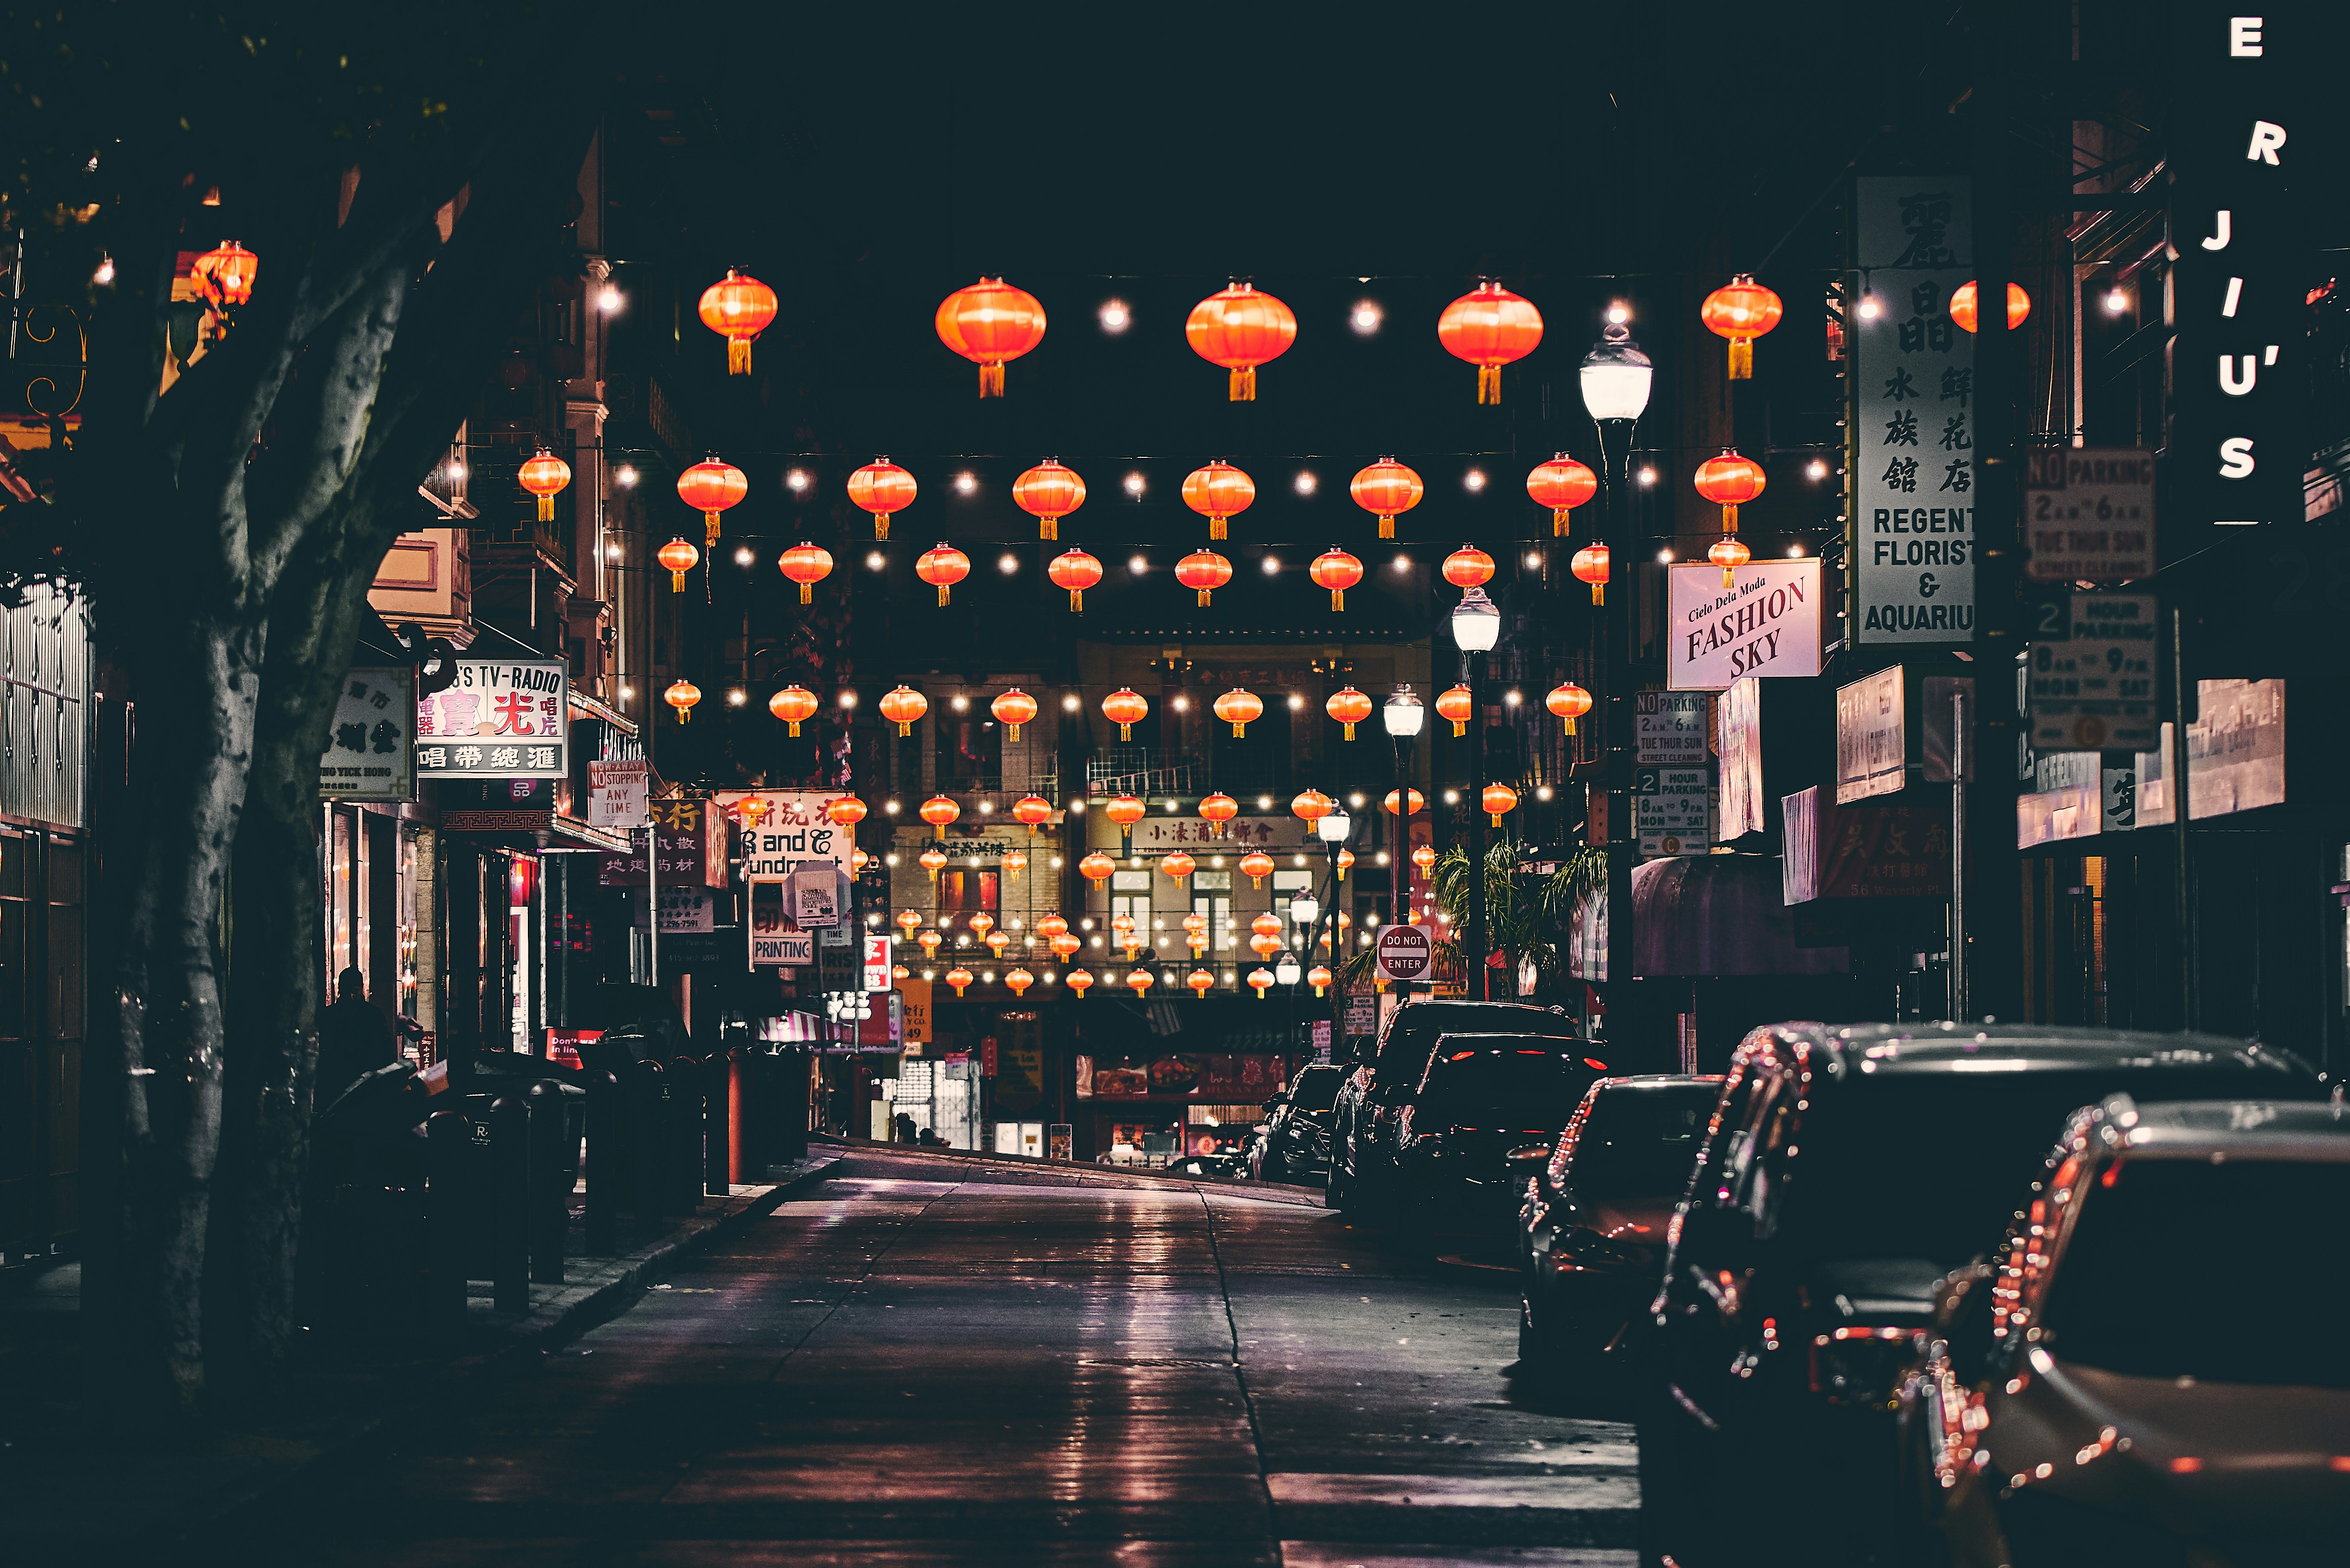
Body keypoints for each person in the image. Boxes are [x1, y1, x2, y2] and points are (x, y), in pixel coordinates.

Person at [315, 967, 396, 1110]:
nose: (351, 996)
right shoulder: (372, 1014)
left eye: (354, 991)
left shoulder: (329, 1015)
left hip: (347, 1082)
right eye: (349, 991)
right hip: (354, 1082)